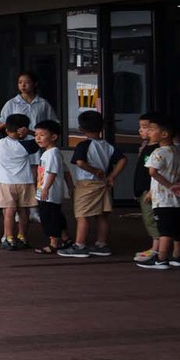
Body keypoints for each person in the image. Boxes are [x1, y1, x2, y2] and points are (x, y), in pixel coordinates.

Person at [66, 108, 121, 258]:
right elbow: (123, 160)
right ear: (102, 127)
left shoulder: (83, 145)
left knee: (82, 215)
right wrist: (112, 176)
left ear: (81, 129)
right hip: (102, 184)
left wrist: (94, 170)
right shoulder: (108, 146)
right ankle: (101, 244)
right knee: (102, 215)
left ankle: (80, 245)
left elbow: (80, 162)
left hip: (86, 184)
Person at [137, 116, 180, 270]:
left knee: (164, 229)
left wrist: (170, 185)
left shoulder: (158, 152)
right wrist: (179, 183)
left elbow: (152, 172)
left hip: (162, 198)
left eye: (153, 130)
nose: (150, 132)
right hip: (179, 200)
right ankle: (178, 256)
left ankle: (161, 258)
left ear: (164, 134)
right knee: (178, 228)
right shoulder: (179, 151)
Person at [0, 112, 35, 250]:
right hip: (24, 181)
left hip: (5, 181)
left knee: (9, 211)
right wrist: (28, 132)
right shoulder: (27, 145)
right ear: (23, 130)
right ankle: (23, 236)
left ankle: (9, 238)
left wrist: (5, 124)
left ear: (7, 129)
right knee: (24, 211)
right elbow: (42, 138)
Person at [32, 120, 69, 255]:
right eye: (36, 135)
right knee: (56, 216)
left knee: (49, 218)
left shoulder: (52, 153)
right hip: (47, 192)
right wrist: (70, 186)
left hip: (49, 193)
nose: (38, 138)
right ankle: (65, 238)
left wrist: (45, 189)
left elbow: (52, 173)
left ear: (53, 137)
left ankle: (53, 244)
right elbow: (65, 171)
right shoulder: (51, 153)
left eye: (42, 135)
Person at [0, 72, 57, 137]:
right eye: (20, 82)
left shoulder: (43, 103)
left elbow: (53, 122)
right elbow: (4, 122)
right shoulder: (12, 103)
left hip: (38, 141)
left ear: (35, 83)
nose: (23, 85)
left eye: (27, 82)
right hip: (18, 141)